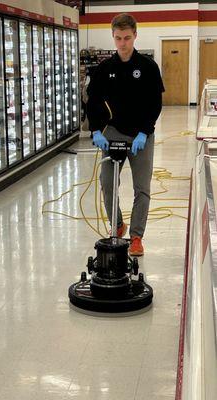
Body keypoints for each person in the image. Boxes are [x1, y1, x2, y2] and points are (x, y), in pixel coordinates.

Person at [87, 13, 164, 256]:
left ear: (135, 36)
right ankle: (117, 224)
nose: (122, 43)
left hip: (141, 136)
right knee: (107, 183)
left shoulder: (148, 67)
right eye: (118, 38)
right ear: (113, 36)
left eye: (127, 38)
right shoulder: (104, 68)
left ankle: (136, 237)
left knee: (142, 188)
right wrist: (96, 130)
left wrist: (145, 132)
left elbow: (155, 103)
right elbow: (93, 101)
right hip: (113, 133)